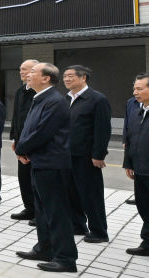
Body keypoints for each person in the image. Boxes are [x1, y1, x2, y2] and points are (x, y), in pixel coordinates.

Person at [14, 63, 77, 273]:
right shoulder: (39, 98)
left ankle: (66, 259)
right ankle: (45, 248)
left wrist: (22, 148)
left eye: (33, 72)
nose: (27, 75)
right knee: (42, 210)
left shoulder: (55, 101)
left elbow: (43, 132)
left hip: (52, 164)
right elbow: (28, 128)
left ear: (46, 78)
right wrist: (23, 150)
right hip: (39, 161)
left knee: (56, 212)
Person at [63, 65, 112, 243]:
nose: (66, 79)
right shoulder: (66, 99)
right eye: (65, 76)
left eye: (70, 76)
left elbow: (103, 129)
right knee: (71, 192)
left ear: (83, 78)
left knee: (91, 194)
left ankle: (99, 231)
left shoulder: (97, 99)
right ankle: (78, 225)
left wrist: (98, 154)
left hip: (87, 156)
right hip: (68, 154)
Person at [10, 59, 39, 221]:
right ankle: (29, 208)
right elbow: (16, 117)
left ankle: (38, 211)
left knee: (35, 179)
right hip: (20, 142)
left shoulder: (38, 93)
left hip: (34, 144)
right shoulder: (20, 91)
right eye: (20, 69)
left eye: (25, 69)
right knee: (24, 178)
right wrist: (14, 138)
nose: (21, 72)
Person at [124, 73, 149, 256]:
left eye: (139, 89)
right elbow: (130, 139)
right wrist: (128, 163)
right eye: (134, 88)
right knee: (143, 206)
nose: (135, 92)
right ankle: (147, 242)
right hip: (140, 169)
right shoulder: (137, 110)